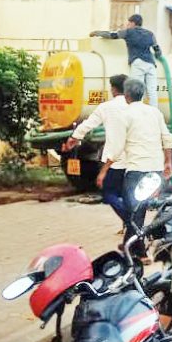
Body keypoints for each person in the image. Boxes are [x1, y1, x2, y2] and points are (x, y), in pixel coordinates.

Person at [103, 79, 172, 260]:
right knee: (139, 211)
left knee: (132, 212)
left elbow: (117, 147)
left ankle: (138, 251)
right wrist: (168, 162)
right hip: (155, 170)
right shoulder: (155, 113)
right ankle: (134, 246)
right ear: (142, 94)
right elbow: (167, 138)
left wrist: (105, 169)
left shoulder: (124, 115)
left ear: (126, 96)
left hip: (136, 171)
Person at [64, 74, 130, 230]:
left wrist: (74, 137)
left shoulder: (106, 107)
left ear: (113, 89)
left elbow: (88, 124)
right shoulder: (135, 107)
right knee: (128, 194)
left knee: (109, 194)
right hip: (135, 158)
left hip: (113, 160)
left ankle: (129, 222)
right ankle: (129, 225)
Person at [92, 14, 162, 108]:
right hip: (151, 64)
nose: (127, 25)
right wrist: (158, 56)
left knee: (136, 90)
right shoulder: (150, 34)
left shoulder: (129, 32)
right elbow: (157, 49)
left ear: (133, 23)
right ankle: (154, 113)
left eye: (128, 23)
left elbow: (112, 35)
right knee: (152, 91)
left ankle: (137, 111)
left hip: (138, 62)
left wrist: (97, 33)